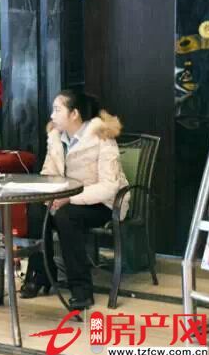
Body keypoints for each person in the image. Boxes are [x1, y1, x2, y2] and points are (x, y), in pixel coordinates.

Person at [19, 89, 129, 310]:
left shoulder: (102, 137)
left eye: (57, 110)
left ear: (74, 114)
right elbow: (49, 173)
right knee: (36, 211)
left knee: (66, 216)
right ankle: (41, 274)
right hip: (66, 199)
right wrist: (48, 196)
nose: (52, 115)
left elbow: (109, 186)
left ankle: (81, 288)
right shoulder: (56, 137)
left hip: (104, 203)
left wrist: (69, 199)